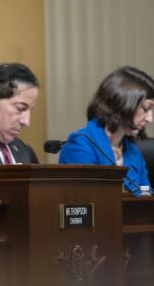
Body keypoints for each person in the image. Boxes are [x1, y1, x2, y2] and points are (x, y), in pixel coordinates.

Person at [59, 66, 154, 195]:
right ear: (123, 103)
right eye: (146, 108)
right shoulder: (80, 145)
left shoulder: (132, 149)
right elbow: (88, 205)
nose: (150, 118)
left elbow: (146, 197)